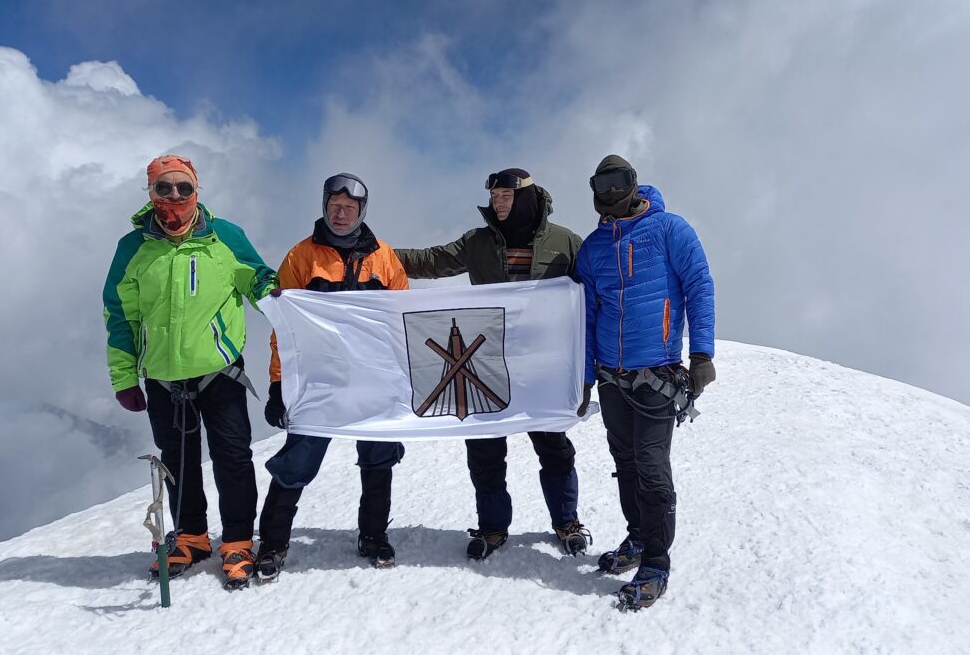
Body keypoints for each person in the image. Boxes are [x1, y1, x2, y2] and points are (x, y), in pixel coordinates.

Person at [394, 168, 590, 560]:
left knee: (554, 449)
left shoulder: (566, 243)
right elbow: (432, 261)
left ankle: (566, 522)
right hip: (487, 364)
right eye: (495, 197)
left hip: (543, 367)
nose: (498, 204)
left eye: (506, 197)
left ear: (526, 197)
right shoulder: (478, 242)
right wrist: (377, 255)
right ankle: (493, 527)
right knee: (484, 450)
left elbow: (590, 299)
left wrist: (586, 374)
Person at [103, 154, 278, 590]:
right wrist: (124, 377)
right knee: (178, 462)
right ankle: (192, 537)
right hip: (162, 377)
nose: (175, 197)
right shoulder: (133, 248)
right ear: (151, 194)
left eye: (184, 188)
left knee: (232, 458)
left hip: (220, 373)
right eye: (165, 188)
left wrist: (289, 307)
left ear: (197, 191)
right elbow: (120, 316)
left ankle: (237, 542)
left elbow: (259, 280)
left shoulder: (225, 236)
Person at [574, 155, 716, 610]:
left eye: (619, 181)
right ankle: (637, 540)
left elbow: (699, 287)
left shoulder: (670, 229)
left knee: (652, 470)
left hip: (656, 374)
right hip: (612, 378)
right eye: (602, 183)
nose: (611, 190)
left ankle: (655, 562)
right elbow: (587, 315)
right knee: (627, 462)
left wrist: (702, 354)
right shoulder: (593, 248)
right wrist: (585, 378)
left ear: (633, 184)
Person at [255, 173, 410, 578]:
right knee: (297, 460)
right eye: (334, 206)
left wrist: (403, 379)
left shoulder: (384, 258)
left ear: (361, 211)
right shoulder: (302, 257)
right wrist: (278, 384)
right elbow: (283, 330)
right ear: (324, 207)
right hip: (318, 379)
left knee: (379, 456)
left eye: (349, 208)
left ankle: (373, 535)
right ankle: (272, 543)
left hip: (372, 378)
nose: (341, 214)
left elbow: (402, 321)